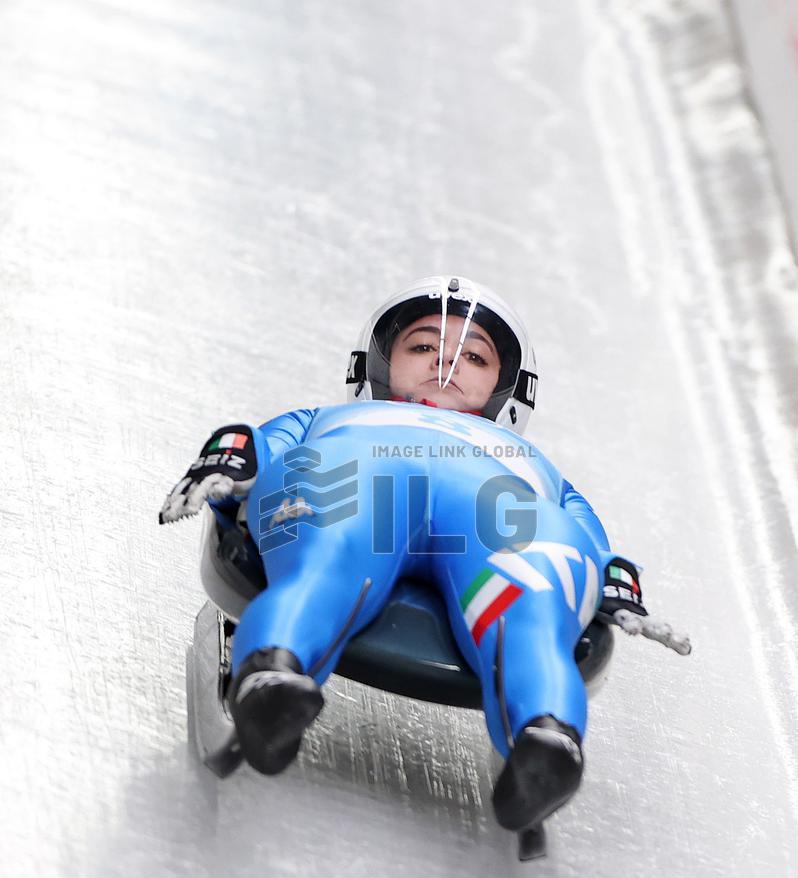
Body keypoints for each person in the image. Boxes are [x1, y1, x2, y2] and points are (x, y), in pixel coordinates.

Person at [160, 275, 688, 839]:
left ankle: (546, 741)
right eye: (421, 347)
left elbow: (585, 534)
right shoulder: (326, 420)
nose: (447, 364)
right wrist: (227, 460)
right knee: (331, 556)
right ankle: (274, 678)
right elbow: (258, 442)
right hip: (361, 467)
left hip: (498, 502)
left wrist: (614, 584)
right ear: (379, 363)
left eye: (475, 357)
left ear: (504, 388)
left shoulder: (531, 461)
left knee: (530, 608)